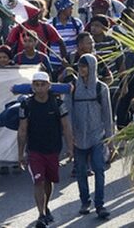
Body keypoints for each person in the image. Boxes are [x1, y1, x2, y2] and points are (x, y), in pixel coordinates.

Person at [17, 71, 75, 228]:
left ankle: (46, 206)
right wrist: (20, 153)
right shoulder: (26, 105)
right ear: (32, 86)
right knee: (38, 181)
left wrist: (70, 148)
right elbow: (22, 130)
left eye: (43, 84)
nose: (40, 88)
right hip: (34, 150)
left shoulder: (58, 104)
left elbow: (66, 127)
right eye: (36, 85)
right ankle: (41, 215)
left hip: (53, 149)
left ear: (49, 86)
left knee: (49, 181)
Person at [69, 53, 114, 220]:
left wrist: (110, 140)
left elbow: (107, 115)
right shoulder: (73, 87)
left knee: (99, 169)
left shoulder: (101, 88)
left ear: (92, 67)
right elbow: (68, 112)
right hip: (79, 136)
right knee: (81, 171)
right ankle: (85, 201)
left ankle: (100, 204)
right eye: (80, 66)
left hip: (97, 135)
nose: (81, 69)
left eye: (85, 65)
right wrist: (70, 138)